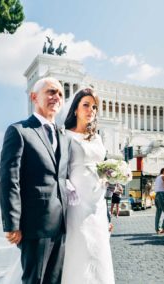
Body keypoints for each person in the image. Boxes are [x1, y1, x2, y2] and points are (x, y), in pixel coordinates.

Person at [0, 77, 70, 284]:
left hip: (62, 223)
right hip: (34, 225)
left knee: (55, 280)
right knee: (34, 280)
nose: (56, 96)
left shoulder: (63, 136)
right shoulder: (19, 131)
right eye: (50, 92)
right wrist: (12, 223)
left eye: (59, 93)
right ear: (34, 97)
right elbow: (9, 180)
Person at [62, 88, 115, 283]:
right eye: (86, 105)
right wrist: (66, 185)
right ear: (75, 109)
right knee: (80, 245)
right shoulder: (64, 135)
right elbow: (59, 168)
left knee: (98, 247)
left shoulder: (97, 137)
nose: (91, 110)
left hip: (97, 202)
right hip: (76, 200)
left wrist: (111, 173)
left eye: (94, 107)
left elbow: (101, 168)